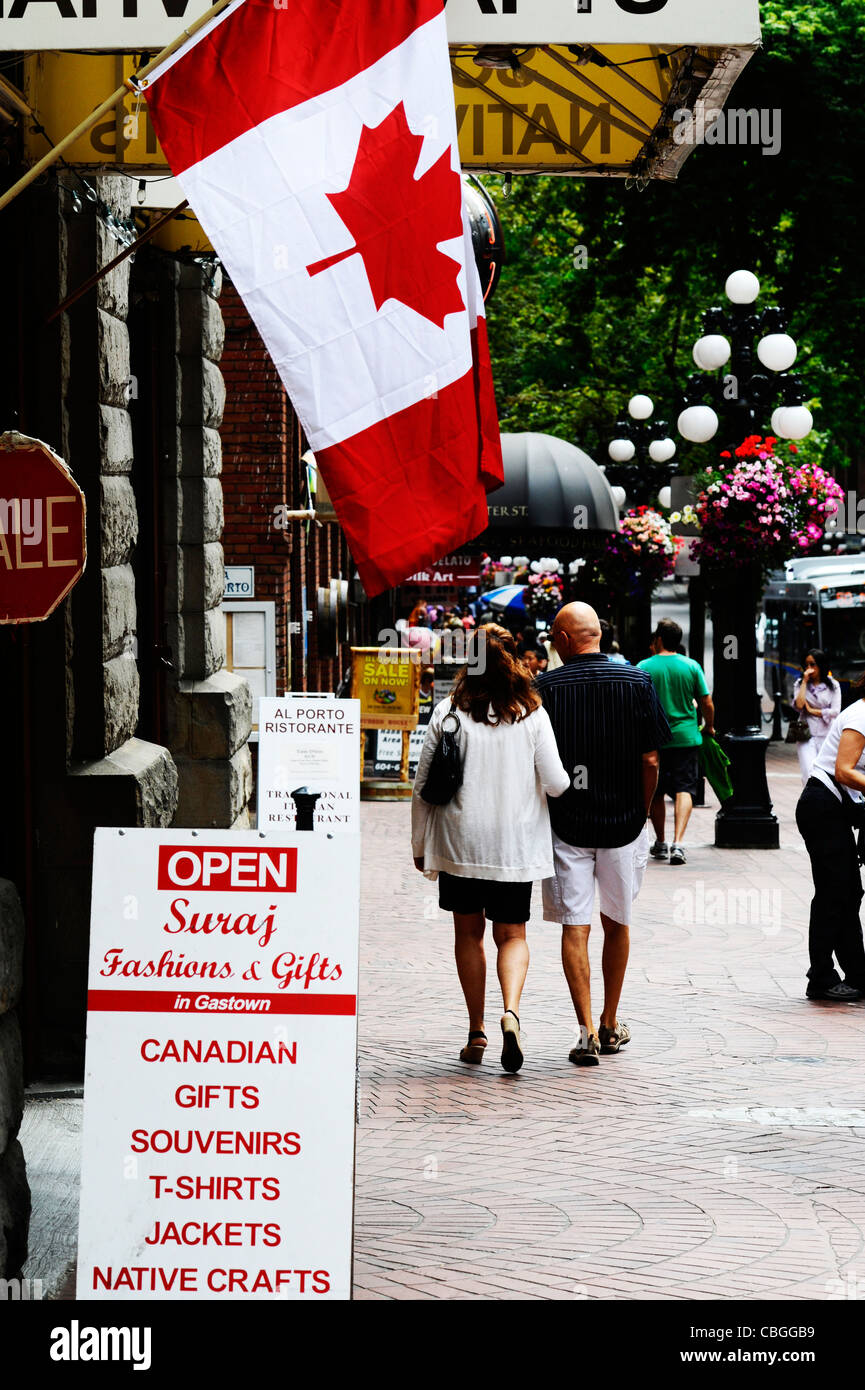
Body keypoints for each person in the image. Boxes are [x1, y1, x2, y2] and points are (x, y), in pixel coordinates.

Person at [411, 624, 570, 1073]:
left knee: (468, 934)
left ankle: (476, 1029)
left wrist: (418, 842)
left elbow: (423, 786)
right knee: (512, 936)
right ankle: (511, 1013)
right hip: (514, 846)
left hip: (460, 842)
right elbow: (557, 783)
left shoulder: (449, 712)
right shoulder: (531, 713)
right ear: (514, 659)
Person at [536, 603, 671, 1066]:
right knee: (618, 921)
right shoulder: (637, 682)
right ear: (597, 635)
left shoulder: (545, 689)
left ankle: (586, 1029)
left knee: (576, 926)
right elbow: (652, 759)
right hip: (623, 822)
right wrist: (642, 808)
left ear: (563, 638)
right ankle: (612, 1022)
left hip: (567, 823)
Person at [795, 672, 865, 1002]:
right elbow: (844, 770)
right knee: (833, 894)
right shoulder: (861, 715)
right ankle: (820, 977)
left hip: (835, 810)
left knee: (848, 892)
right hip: (822, 807)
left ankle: (857, 974)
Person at [637, 619, 714, 866]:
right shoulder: (691, 666)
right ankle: (678, 843)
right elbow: (706, 702)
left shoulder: (644, 667)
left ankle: (659, 842)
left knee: (657, 791)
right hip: (686, 736)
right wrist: (709, 726)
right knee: (685, 788)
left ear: (658, 639)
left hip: (654, 738)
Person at [792, 649, 841, 784]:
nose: (809, 669)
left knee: (826, 771)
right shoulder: (799, 684)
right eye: (806, 665)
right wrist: (804, 682)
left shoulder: (833, 685)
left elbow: (835, 711)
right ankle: (810, 802)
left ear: (821, 665)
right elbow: (799, 705)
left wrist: (813, 711)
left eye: (813, 664)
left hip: (827, 733)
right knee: (808, 771)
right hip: (805, 732)